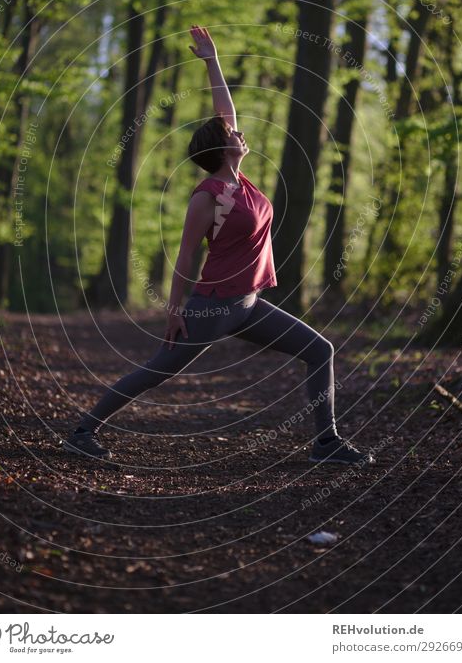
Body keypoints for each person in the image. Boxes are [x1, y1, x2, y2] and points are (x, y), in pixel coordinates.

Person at [64, 25, 375, 465]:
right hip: (212, 307)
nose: (239, 133)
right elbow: (187, 256)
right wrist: (174, 310)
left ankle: (326, 443)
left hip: (248, 304)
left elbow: (224, 110)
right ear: (222, 148)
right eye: (233, 134)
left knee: (319, 350)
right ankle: (82, 431)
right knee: (157, 370)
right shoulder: (208, 196)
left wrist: (212, 61)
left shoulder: (239, 181)